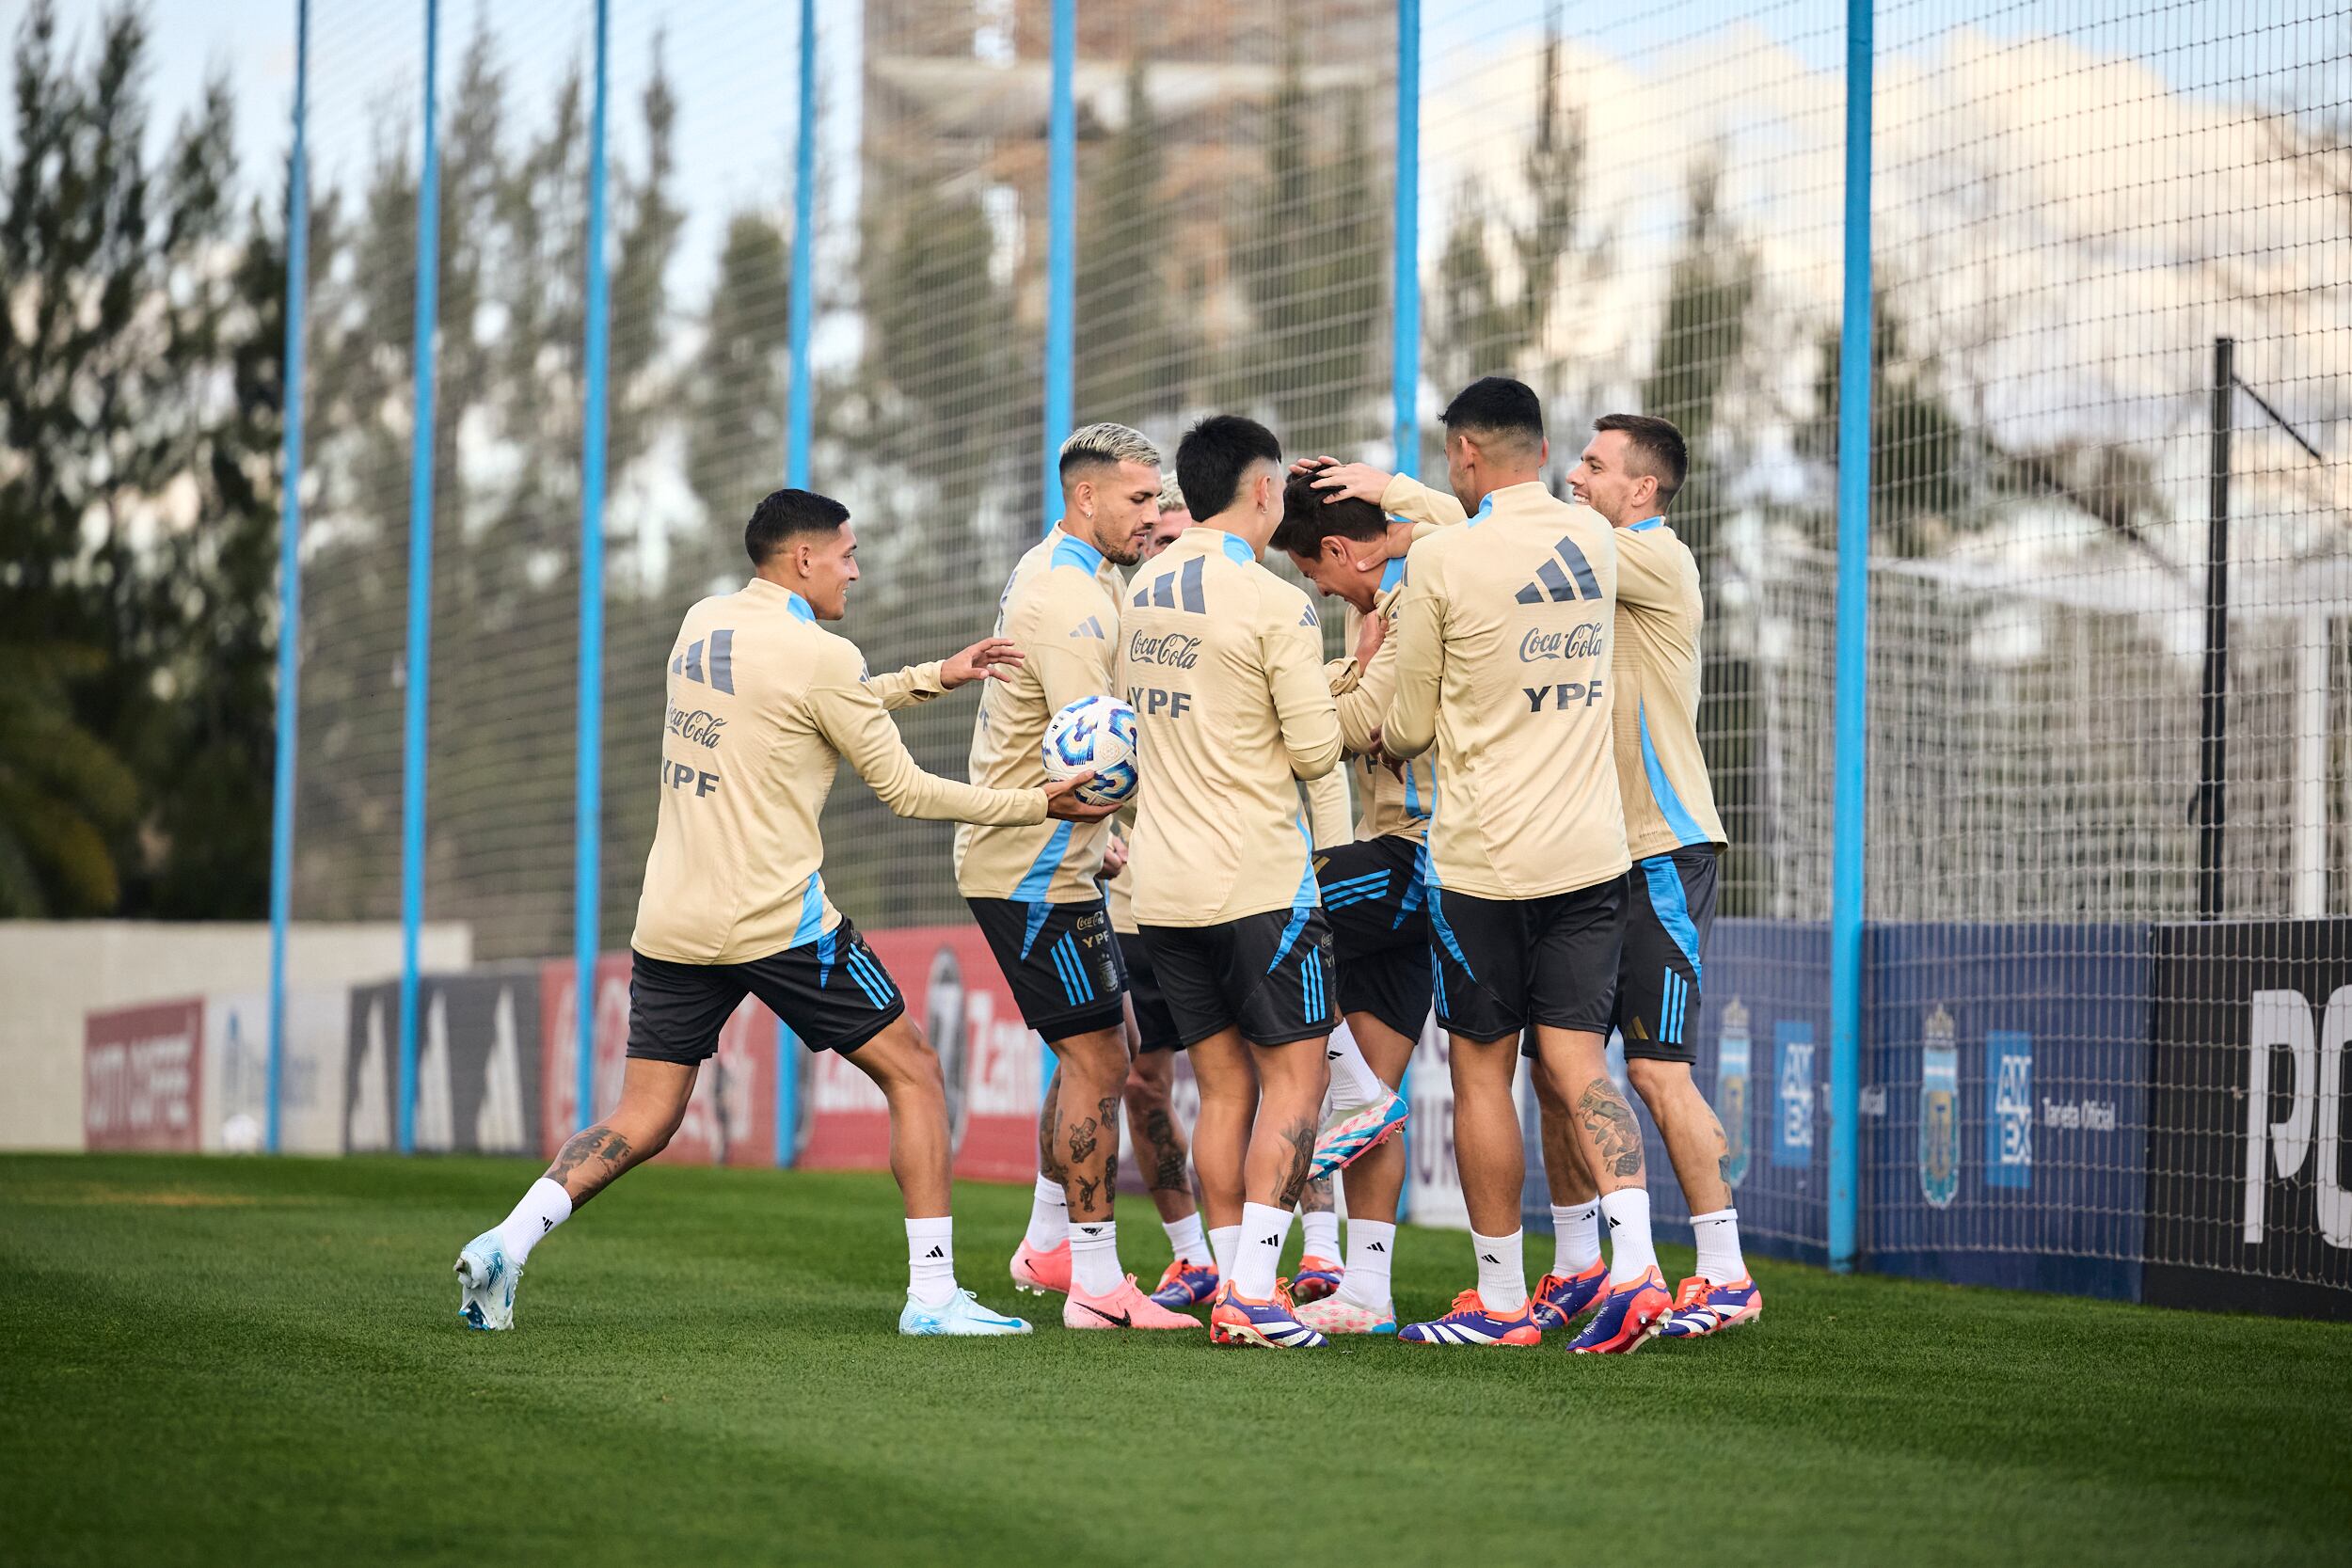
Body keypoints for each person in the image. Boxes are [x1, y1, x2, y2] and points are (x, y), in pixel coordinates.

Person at [453, 488, 1116, 1337]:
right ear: (804, 559)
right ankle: (934, 1295)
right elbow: (907, 792)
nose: (856, 568)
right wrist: (1042, 805)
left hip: (672, 917)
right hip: (775, 921)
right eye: (847, 553)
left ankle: (508, 1242)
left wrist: (930, 678)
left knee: (644, 1116)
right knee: (914, 1072)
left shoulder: (702, 622)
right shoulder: (822, 655)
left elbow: (799, 707)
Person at [1375, 376, 1672, 1352]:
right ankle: (1636, 1269)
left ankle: (1500, 1302)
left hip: (1484, 863)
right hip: (1591, 852)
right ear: (1542, 453)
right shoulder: (1595, 538)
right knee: (1585, 1062)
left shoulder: (1442, 559)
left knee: (1481, 1078)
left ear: (1462, 454)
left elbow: (1408, 723)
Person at [964, 424, 1198, 1332]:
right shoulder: (1071, 596)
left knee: (1093, 1052)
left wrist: (1100, 839)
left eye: (1158, 498)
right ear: (1086, 498)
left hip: (1053, 858)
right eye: (1140, 500)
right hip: (1029, 867)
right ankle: (1096, 1282)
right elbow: (1093, 751)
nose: (1154, 515)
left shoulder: (1075, 570)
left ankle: (1049, 1239)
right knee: (1102, 1062)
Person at [1120, 414, 1344, 1350]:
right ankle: (1255, 1289)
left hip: (1160, 885)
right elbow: (1315, 746)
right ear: (1262, 490)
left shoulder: (1140, 588)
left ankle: (1228, 1281)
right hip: (1256, 877)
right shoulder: (1274, 604)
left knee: (1217, 1089)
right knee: (1294, 1081)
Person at [1528, 414, 1756, 1339]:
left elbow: (1523, 542)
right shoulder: (1596, 560)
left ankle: (1725, 1271)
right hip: (1585, 855)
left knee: (1658, 1071)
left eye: (1593, 463)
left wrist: (1398, 498)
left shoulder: (1656, 558)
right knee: (1555, 1067)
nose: (1576, 476)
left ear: (1643, 489)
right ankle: (1583, 1263)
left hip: (1659, 849)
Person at [1264, 471, 1438, 1336]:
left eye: (1314, 573)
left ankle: (1351, 1085)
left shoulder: (1418, 597)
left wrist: (1339, 688)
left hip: (1420, 853)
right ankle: (1368, 1291)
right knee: (1374, 1098)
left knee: (1273, 911)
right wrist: (1347, 680)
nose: (1319, 589)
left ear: (1337, 551)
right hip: (1394, 847)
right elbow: (1343, 712)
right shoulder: (1367, 614)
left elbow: (1353, 727)